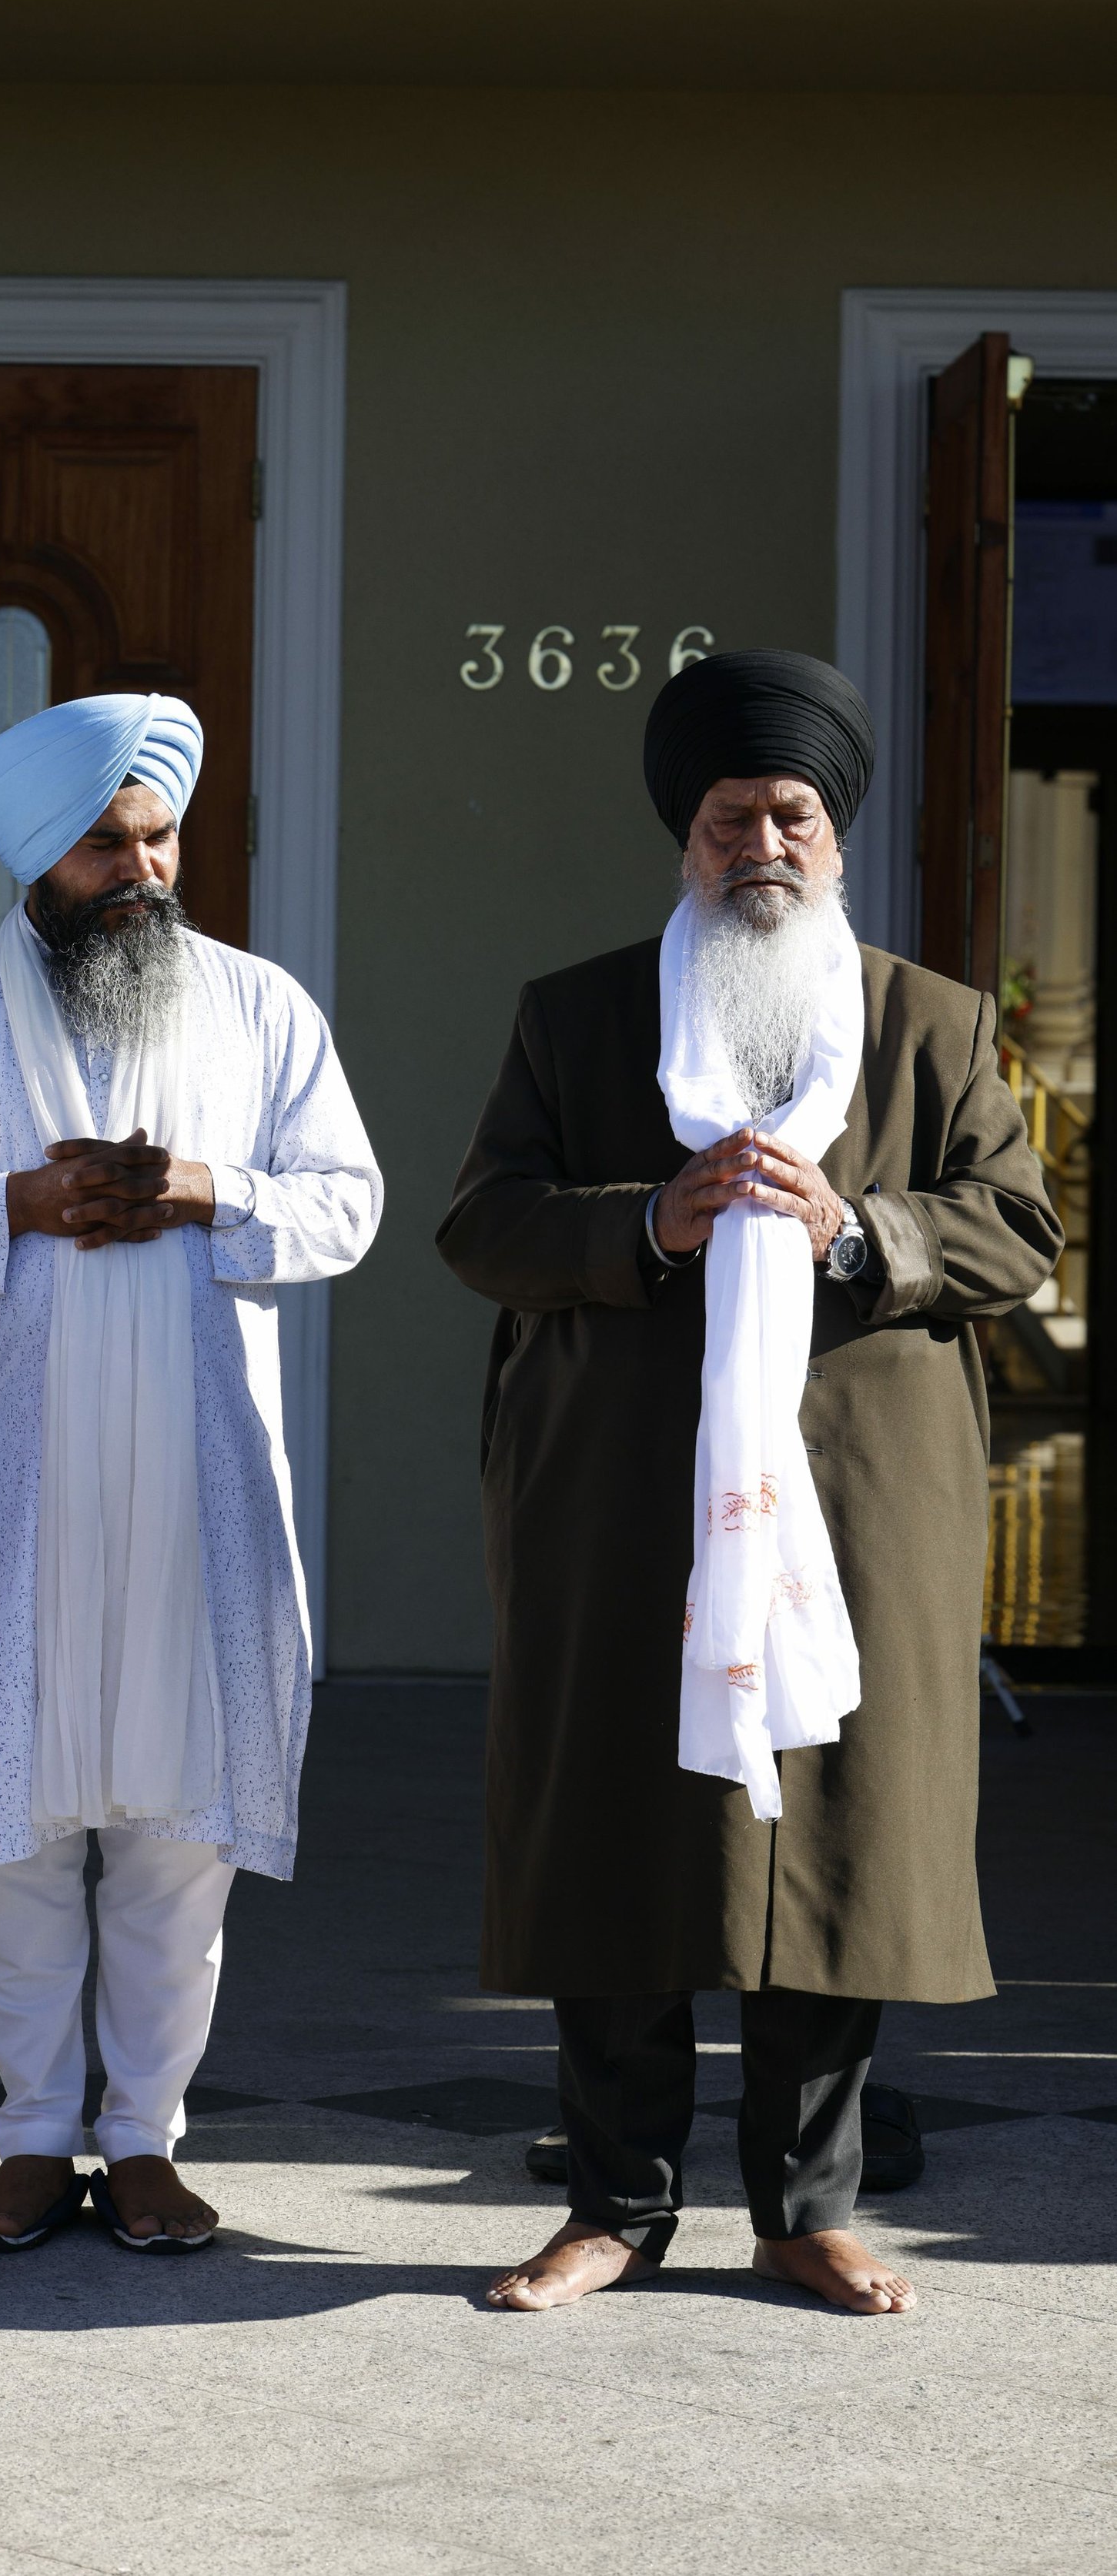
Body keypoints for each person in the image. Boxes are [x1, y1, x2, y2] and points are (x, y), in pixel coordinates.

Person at [437, 648, 1060, 2315]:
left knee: (834, 1842)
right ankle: (611, 2208)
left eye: (790, 813)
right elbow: (482, 1225)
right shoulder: (576, 1014)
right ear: (684, 840)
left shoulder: (927, 1021)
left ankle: (805, 2205)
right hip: (620, 1496)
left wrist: (852, 1226)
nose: (759, 843)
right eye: (729, 817)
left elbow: (1014, 1227)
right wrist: (652, 1217)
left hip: (854, 1499)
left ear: (834, 841)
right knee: (617, 1835)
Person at [0, 693, 380, 2250]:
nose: (143, 867)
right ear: (38, 854)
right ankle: (30, 2133)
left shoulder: (257, 1007)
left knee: (177, 1827)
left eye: (159, 836)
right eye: (108, 843)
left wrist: (210, 1190)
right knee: (11, 1818)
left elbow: (345, 1205)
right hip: (9, 1483)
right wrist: (10, 1201)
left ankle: (143, 2134)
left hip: (195, 1483)